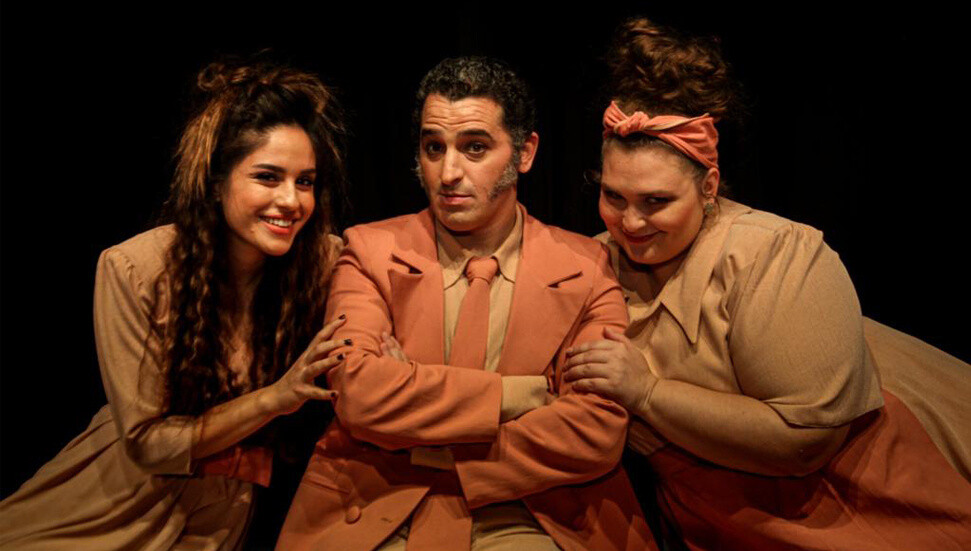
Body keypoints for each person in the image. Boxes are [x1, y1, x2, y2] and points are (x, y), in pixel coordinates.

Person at [562, 17, 971, 550]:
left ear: (708, 186)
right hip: (722, 516)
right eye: (614, 196)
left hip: (856, 502)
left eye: (656, 201)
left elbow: (807, 439)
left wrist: (647, 392)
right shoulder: (592, 262)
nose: (631, 222)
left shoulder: (770, 254)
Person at [276, 57, 656, 551]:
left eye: (474, 147)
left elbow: (596, 431)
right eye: (434, 147)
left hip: (533, 511)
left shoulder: (585, 265)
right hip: (377, 505)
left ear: (525, 152)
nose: (448, 172)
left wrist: (421, 431)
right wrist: (516, 396)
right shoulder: (369, 250)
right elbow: (361, 395)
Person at [0, 59, 349, 550]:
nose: (292, 200)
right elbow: (147, 443)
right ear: (217, 181)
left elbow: (390, 274)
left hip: (215, 520)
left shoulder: (321, 261)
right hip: (103, 511)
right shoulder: (134, 268)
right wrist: (275, 397)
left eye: (305, 181)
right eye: (268, 177)